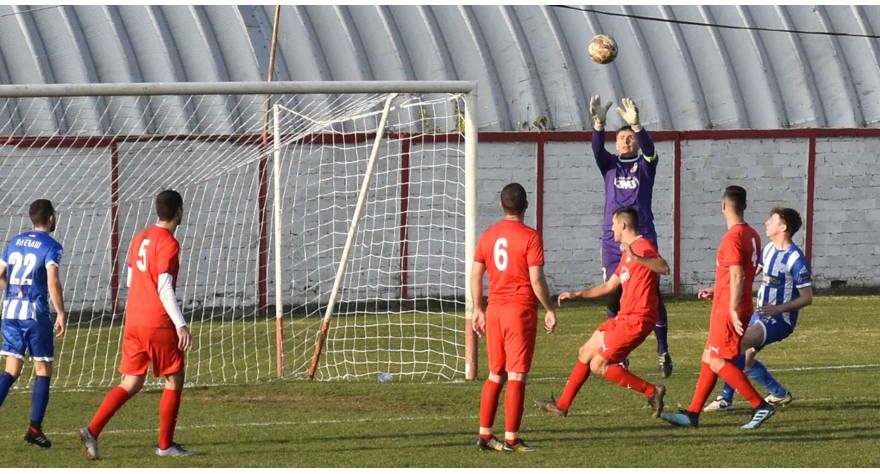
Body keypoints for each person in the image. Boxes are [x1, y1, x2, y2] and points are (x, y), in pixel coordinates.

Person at [79, 190, 195, 459]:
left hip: (134, 320)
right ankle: (165, 446)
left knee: (131, 382)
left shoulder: (139, 237)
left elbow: (132, 280)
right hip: (158, 322)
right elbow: (165, 288)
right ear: (179, 211)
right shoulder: (169, 243)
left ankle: (92, 430)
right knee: (175, 378)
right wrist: (181, 325)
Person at [534, 206, 667, 418]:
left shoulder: (641, 246)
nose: (611, 229)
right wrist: (577, 294)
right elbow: (609, 287)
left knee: (598, 364)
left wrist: (635, 256)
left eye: (613, 224)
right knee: (585, 351)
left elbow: (664, 267)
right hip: (624, 316)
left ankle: (652, 391)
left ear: (622, 225)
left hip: (638, 318)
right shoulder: (628, 251)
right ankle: (562, 405)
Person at [661, 186, 776, 429]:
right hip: (734, 303)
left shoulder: (732, 237)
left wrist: (731, 306)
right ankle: (692, 414)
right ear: (744, 206)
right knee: (709, 357)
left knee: (717, 362)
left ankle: (760, 405)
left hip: (728, 309)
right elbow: (742, 275)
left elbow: (736, 276)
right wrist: (717, 290)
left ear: (724, 206)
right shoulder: (753, 235)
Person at [590, 96, 672, 377]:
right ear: (616, 144)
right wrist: (599, 124)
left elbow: (650, 149)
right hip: (612, 243)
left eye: (630, 137)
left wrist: (638, 126)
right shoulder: (609, 165)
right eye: (622, 137)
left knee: (652, 296)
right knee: (614, 296)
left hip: (642, 239)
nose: (627, 141)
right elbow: (596, 147)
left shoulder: (646, 165)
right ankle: (619, 354)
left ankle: (662, 350)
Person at [472, 183, 556, 452]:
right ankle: (511, 439)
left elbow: (476, 275)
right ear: (526, 206)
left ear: (501, 205)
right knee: (517, 375)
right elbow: (536, 279)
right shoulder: (530, 236)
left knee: (495, 374)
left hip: (494, 310)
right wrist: (549, 308)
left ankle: (485, 435)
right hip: (519, 312)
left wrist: (478, 309)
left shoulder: (488, 235)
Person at [703, 207, 812, 412]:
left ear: (783, 226)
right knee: (746, 359)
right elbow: (746, 277)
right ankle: (779, 394)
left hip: (779, 320)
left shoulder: (796, 259)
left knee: (736, 345)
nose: (767, 223)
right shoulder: (768, 250)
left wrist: (778, 309)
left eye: (772, 220)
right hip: (760, 315)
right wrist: (717, 290)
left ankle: (726, 398)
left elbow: (807, 297)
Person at [0, 199, 66, 448]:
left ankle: (35, 430)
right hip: (35, 315)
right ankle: (34, 429)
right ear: (51, 218)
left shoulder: (15, 241)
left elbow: (0, 274)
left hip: (11, 312)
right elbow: (52, 282)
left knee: (11, 370)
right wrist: (60, 312)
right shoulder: (51, 246)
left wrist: (14, 293)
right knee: (42, 370)